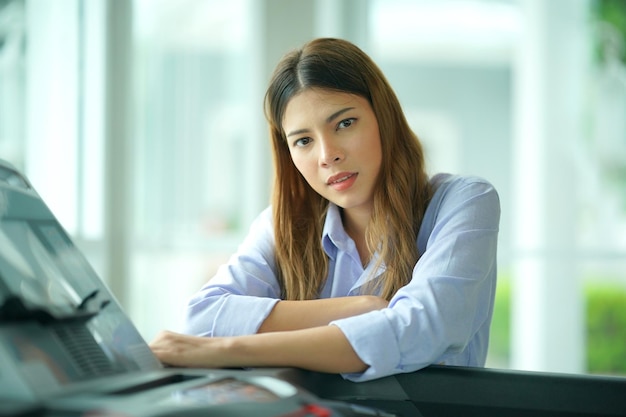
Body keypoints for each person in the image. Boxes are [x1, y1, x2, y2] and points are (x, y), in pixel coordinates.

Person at [149, 37, 500, 382]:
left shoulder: (463, 201)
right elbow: (203, 316)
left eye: (344, 123)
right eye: (303, 140)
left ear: (384, 117)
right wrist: (363, 308)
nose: (326, 154)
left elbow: (420, 328)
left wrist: (227, 350)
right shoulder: (282, 225)